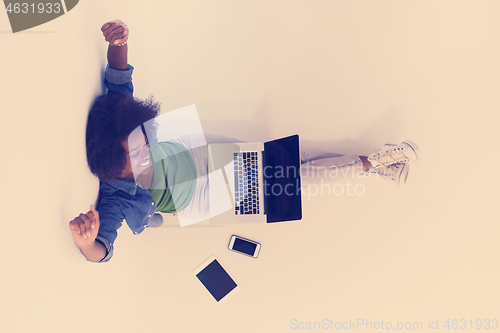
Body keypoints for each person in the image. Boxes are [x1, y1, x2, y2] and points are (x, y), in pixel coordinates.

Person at [69, 19, 422, 263]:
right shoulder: (114, 198)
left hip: (203, 149)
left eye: (141, 142)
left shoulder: (119, 125)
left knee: (291, 158)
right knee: (295, 183)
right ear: (115, 170)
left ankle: (374, 167)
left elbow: (118, 84)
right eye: (136, 156)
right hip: (206, 194)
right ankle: (374, 161)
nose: (146, 149)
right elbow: (104, 247)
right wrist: (87, 246)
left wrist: (119, 43)